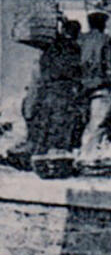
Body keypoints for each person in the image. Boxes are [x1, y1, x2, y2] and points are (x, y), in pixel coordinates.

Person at [27, 19, 84, 155]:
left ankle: (38, 152)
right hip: (65, 91)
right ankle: (58, 154)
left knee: (44, 123)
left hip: (47, 91)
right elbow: (77, 71)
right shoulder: (75, 48)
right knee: (62, 125)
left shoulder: (51, 47)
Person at [78, 12, 111, 155]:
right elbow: (109, 64)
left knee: (85, 122)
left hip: (81, 86)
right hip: (100, 86)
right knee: (98, 123)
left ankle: (82, 152)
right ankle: (88, 155)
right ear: (102, 24)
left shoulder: (81, 39)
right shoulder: (104, 39)